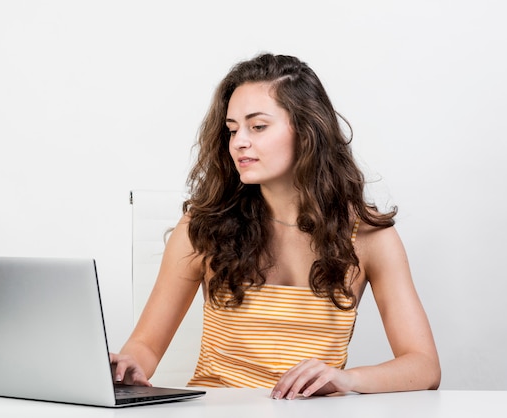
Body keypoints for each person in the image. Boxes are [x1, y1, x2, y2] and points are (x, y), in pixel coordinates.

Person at [111, 53, 441, 399]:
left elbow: (424, 366)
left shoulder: (370, 236)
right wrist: (128, 365)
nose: (239, 141)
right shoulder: (203, 226)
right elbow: (146, 345)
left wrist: (348, 380)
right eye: (233, 129)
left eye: (258, 126)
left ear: (307, 130)